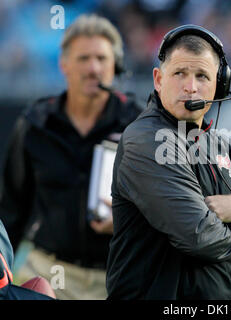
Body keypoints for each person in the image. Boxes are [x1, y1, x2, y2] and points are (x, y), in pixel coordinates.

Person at [106, 24, 231, 300]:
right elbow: (199, 236)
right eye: (179, 74)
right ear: (158, 80)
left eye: (202, 76)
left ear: (219, 84)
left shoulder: (221, 146)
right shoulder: (145, 141)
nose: (190, 87)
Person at [0, 14, 143, 300]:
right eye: (83, 58)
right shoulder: (36, 123)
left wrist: (127, 220)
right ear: (63, 64)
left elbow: (166, 208)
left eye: (102, 58)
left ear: (115, 64)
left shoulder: (139, 125)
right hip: (48, 271)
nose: (93, 68)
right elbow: (11, 210)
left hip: (120, 273)